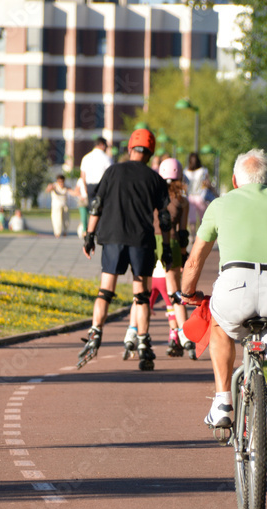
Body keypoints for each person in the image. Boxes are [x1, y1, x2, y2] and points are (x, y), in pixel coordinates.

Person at [180, 148, 267, 499]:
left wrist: (188, 293)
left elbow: (196, 258)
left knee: (219, 324)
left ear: (235, 180)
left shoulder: (220, 204)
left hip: (234, 289)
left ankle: (224, 400)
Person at [80, 128, 172, 371]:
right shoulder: (155, 180)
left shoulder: (112, 171)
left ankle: (95, 333)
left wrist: (89, 236)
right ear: (150, 151)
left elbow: (96, 206)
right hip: (141, 240)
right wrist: (169, 247)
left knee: (105, 291)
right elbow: (164, 219)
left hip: (112, 237)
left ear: (130, 148)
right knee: (141, 296)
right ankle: (143, 345)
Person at [121, 157, 195, 360]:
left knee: (141, 292)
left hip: (147, 243)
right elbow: (182, 233)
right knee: (175, 293)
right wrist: (183, 253)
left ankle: (132, 331)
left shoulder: (152, 195)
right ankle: (184, 335)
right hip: (169, 242)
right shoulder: (182, 201)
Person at [184, 152, 212, 231]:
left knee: (192, 219)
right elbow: (207, 183)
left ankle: (193, 236)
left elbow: (185, 185)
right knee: (202, 218)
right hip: (200, 196)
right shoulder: (203, 171)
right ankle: (201, 236)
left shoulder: (185, 172)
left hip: (190, 197)